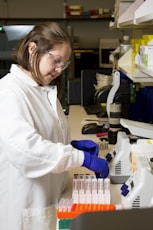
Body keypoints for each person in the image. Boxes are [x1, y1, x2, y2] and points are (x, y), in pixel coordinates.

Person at [0, 21, 109, 230]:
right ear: (33, 49)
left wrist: (70, 145)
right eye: (56, 61)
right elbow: (25, 150)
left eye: (64, 64)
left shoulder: (43, 90)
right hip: (25, 207)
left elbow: (43, 136)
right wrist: (80, 158)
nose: (59, 69)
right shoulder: (8, 92)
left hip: (49, 199)